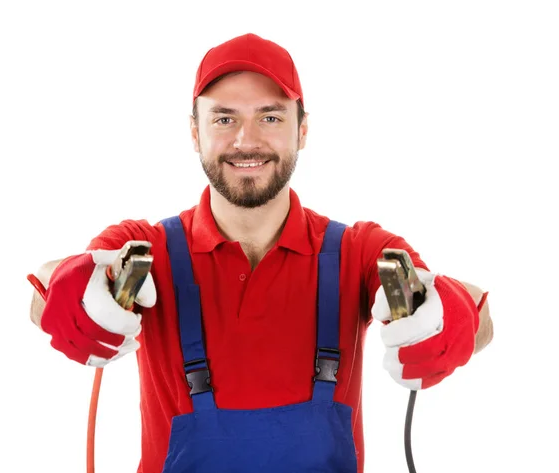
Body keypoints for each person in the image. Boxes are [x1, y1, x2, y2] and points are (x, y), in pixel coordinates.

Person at [30, 33, 493, 473]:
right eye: (224, 118)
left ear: (303, 129)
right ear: (195, 132)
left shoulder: (357, 251)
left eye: (270, 117)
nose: (246, 140)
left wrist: (447, 319)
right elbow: (46, 287)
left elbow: (474, 312)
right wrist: (74, 292)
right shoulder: (146, 247)